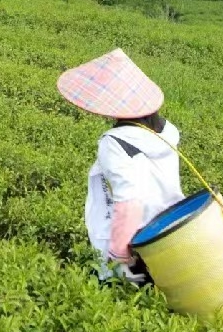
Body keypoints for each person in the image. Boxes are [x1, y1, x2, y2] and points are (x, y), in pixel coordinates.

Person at [58, 48, 186, 285]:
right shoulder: (168, 130)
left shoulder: (114, 143)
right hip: (171, 231)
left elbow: (129, 201)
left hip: (139, 243)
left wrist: (119, 256)